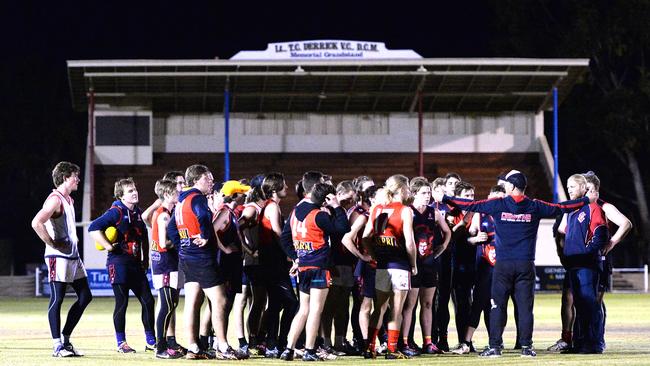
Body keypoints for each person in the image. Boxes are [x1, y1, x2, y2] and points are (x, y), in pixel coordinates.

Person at [433, 169, 595, 357]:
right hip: (526, 264)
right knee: (526, 307)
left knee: (497, 306)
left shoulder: (498, 204)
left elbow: (470, 204)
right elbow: (562, 207)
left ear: (511, 186)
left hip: (503, 265)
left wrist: (444, 198)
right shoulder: (535, 206)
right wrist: (585, 200)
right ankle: (526, 347)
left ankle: (495, 347)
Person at [548, 171, 632, 352]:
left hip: (596, 259)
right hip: (578, 260)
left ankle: (595, 341)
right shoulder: (576, 207)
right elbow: (562, 229)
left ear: (593, 189)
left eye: (589, 189)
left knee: (593, 302)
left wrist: (612, 242)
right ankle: (576, 339)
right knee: (574, 300)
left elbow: (625, 223)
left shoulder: (601, 207)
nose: (587, 193)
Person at [166, 164, 233, 359]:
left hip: (187, 257)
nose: (211, 181)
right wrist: (205, 236)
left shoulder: (181, 200)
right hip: (201, 257)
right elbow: (203, 215)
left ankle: (194, 347)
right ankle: (223, 347)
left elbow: (171, 228)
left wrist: (182, 246)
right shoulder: (197, 198)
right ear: (196, 181)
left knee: (193, 302)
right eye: (207, 178)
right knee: (220, 299)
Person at [279, 182, 351, 361]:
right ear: (325, 199)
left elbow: (284, 238)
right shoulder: (319, 215)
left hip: (303, 266)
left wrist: (296, 257)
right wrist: (336, 207)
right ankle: (310, 350)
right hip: (319, 266)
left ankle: (288, 349)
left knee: (303, 309)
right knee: (315, 310)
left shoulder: (295, 212)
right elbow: (343, 229)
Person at [31, 162, 92, 357]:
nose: (78, 180)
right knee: (57, 298)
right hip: (59, 256)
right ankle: (57, 345)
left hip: (73, 257)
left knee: (85, 297)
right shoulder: (55, 200)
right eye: (75, 176)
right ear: (65, 177)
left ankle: (66, 340)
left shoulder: (69, 200)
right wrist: (53, 244)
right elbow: (36, 222)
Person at [89, 177, 156, 353]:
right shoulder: (116, 212)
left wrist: (145, 259)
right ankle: (121, 343)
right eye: (130, 191)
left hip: (135, 264)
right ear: (121, 196)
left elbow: (144, 238)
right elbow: (93, 228)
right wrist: (109, 246)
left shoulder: (138, 213)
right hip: (118, 263)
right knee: (122, 303)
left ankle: (151, 341)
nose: (135, 193)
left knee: (148, 301)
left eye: (135, 189)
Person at [363, 174, 418, 360]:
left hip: (382, 265)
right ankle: (392, 350)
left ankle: (369, 347)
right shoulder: (404, 210)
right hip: (399, 265)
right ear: (402, 189)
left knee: (379, 308)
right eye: (408, 188)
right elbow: (410, 243)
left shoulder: (377, 209)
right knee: (396, 310)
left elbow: (365, 236)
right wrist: (414, 264)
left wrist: (374, 253)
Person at [451, 185, 506, 354]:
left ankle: (496, 341)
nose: (497, 201)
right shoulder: (480, 212)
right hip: (484, 264)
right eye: (495, 197)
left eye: (501, 198)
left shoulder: (507, 215)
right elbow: (470, 234)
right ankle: (467, 342)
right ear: (489, 196)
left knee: (498, 304)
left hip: (503, 264)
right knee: (478, 302)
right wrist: (476, 238)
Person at [558, 174, 609, 354]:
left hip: (587, 266)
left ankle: (593, 344)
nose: (569, 189)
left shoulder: (592, 208)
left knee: (589, 304)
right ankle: (579, 343)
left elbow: (601, 234)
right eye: (568, 186)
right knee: (579, 305)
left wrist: (587, 253)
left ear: (583, 188)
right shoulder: (572, 210)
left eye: (572, 186)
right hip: (574, 265)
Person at [401, 177, 450, 355]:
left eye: (429, 192)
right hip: (412, 264)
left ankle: (428, 342)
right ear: (414, 194)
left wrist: (442, 248)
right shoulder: (407, 211)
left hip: (429, 264)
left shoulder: (434, 212)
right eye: (423, 193)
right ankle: (405, 342)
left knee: (428, 304)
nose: (427, 196)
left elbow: (447, 231)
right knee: (409, 306)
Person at [258, 172, 298, 357]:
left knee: (275, 303)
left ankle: (271, 342)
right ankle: (278, 341)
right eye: (284, 185)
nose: (287, 188)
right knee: (291, 303)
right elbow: (277, 233)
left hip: (271, 261)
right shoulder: (272, 206)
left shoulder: (271, 206)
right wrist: (291, 254)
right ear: (275, 189)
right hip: (273, 262)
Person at [148, 179, 184, 359]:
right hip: (165, 264)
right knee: (166, 305)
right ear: (168, 194)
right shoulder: (163, 215)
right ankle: (160, 347)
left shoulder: (165, 212)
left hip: (166, 264)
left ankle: (163, 344)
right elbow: (163, 243)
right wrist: (182, 242)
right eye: (176, 192)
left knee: (170, 304)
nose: (179, 194)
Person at [236, 174, 268, 355]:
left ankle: (258, 337)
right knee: (257, 302)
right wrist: (249, 251)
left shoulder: (264, 207)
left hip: (263, 261)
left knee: (262, 301)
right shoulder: (252, 209)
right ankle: (254, 338)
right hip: (253, 262)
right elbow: (237, 226)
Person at [433, 173, 460, 351]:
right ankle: (430, 338)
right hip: (430, 257)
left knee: (443, 300)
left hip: (448, 257)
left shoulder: (453, 208)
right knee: (429, 301)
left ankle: (443, 337)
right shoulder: (428, 207)